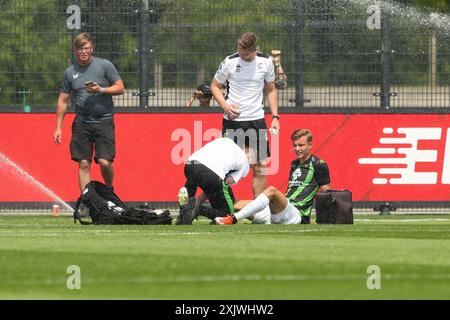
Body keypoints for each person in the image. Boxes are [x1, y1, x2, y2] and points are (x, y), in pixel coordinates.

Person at [210, 31, 280, 200]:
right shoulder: (229, 62)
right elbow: (214, 86)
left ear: (254, 50)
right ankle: (220, 207)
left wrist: (275, 117)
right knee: (226, 167)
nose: (241, 55)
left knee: (260, 166)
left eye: (245, 53)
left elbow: (271, 89)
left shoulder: (266, 62)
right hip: (233, 121)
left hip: (257, 120)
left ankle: (259, 211)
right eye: (239, 51)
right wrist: (226, 106)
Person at [53, 32, 125, 192]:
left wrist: (101, 90)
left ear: (91, 48)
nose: (83, 52)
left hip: (104, 121)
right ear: (75, 50)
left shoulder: (105, 65)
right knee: (84, 163)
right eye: (80, 48)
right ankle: (87, 200)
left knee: (105, 162)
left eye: (86, 48)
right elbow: (63, 101)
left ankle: (109, 190)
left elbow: (120, 88)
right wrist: (58, 127)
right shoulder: (69, 73)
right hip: (82, 123)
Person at [215, 129, 330, 225]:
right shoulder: (294, 164)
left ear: (310, 145)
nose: (297, 148)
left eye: (301, 145)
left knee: (271, 191)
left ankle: (232, 220)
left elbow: (325, 194)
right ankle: (210, 215)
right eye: (294, 145)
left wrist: (324, 219)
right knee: (236, 205)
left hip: (297, 215)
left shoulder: (319, 165)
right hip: (281, 212)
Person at [176, 137, 254, 225]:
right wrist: (198, 204)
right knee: (228, 216)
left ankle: (185, 212)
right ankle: (198, 209)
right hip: (209, 174)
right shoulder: (245, 165)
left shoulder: (225, 140)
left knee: (193, 182)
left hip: (190, 165)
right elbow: (224, 183)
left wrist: (197, 201)